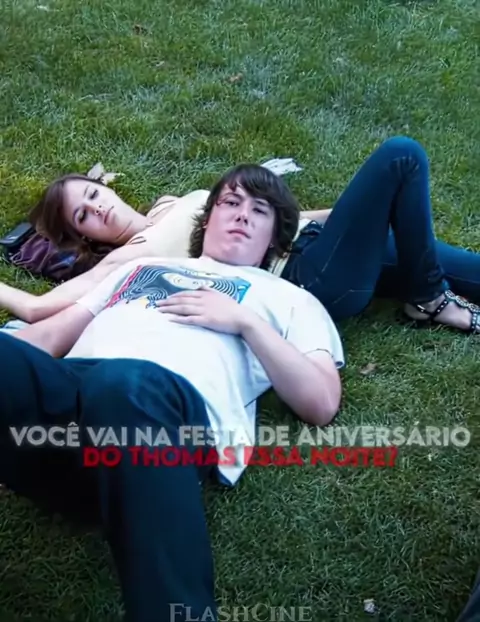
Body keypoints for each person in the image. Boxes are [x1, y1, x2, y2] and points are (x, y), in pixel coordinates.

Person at [0, 164, 344, 622]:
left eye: (260, 210)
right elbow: (45, 339)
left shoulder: (291, 300)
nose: (243, 214)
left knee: (123, 385)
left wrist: (245, 322)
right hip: (65, 419)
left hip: (165, 423)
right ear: (208, 217)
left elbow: (321, 402)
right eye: (231, 202)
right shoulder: (143, 268)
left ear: (274, 239)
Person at [1, 135, 480, 332]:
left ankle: (428, 289)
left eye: (91, 194)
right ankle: (429, 300)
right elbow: (39, 309)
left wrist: (352, 214)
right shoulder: (128, 259)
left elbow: (267, 216)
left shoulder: (169, 204)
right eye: (83, 215)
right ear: (84, 237)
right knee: (401, 155)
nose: (97, 207)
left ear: (104, 185)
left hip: (318, 241)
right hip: (307, 276)